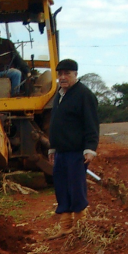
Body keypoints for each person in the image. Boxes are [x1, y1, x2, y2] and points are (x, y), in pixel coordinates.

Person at [46, 58, 99, 230]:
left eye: (67, 74)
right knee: (61, 187)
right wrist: (52, 147)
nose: (62, 77)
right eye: (60, 74)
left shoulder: (84, 95)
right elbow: (55, 123)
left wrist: (90, 148)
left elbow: (91, 123)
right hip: (61, 151)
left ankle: (80, 226)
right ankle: (66, 226)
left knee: (76, 187)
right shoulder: (59, 95)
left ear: (75, 74)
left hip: (76, 151)